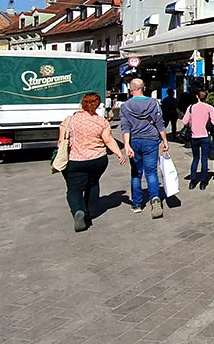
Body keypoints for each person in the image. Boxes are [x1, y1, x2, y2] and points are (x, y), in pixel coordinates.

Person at [58, 92, 127, 233]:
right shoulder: (102, 122)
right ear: (97, 105)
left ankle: (78, 211)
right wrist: (120, 154)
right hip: (98, 160)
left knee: (74, 189)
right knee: (93, 184)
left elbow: (61, 142)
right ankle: (90, 211)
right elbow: (108, 140)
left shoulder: (70, 120)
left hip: (76, 160)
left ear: (82, 103)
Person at [120, 78, 169, 217]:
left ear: (131, 89)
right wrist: (164, 140)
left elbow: (125, 127)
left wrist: (126, 145)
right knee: (151, 172)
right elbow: (160, 123)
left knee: (136, 173)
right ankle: (155, 199)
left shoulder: (126, 106)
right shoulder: (153, 103)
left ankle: (137, 204)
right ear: (144, 88)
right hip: (151, 140)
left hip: (134, 140)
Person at [182, 89, 214, 189]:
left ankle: (192, 181)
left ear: (197, 96)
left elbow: (184, 121)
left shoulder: (191, 107)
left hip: (194, 136)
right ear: (206, 97)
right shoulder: (210, 108)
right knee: (204, 159)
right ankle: (203, 181)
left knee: (195, 158)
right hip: (205, 135)